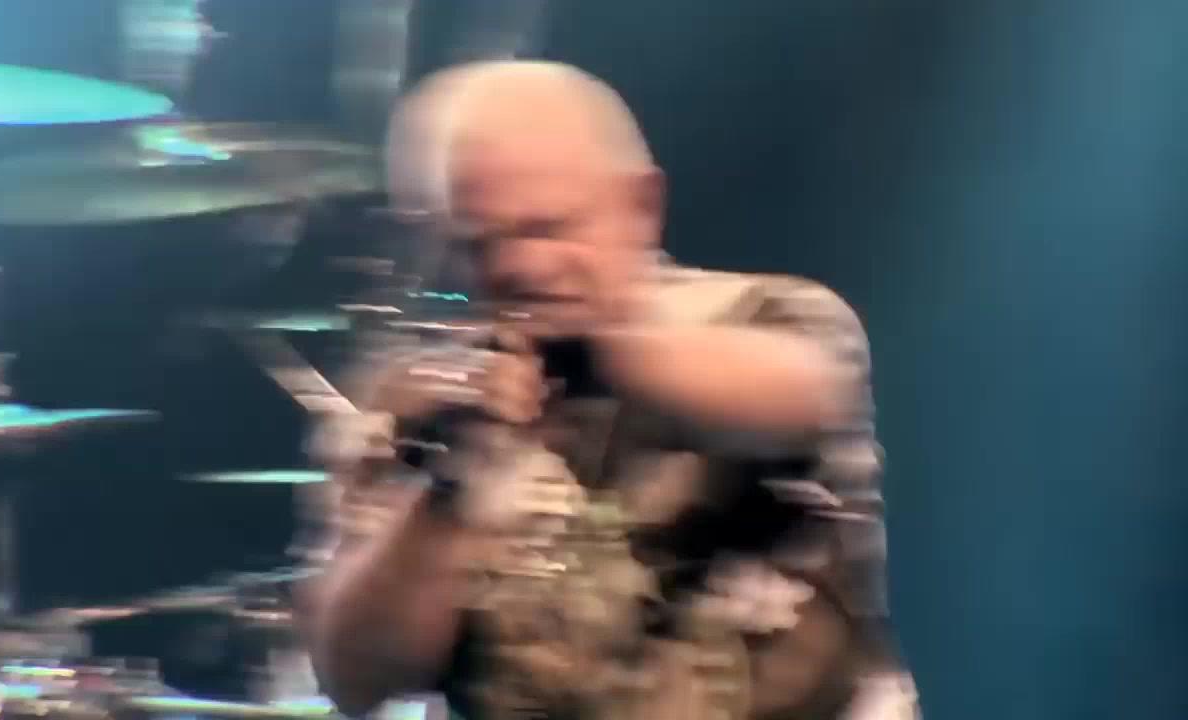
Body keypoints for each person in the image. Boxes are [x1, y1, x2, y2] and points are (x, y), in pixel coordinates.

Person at [296, 60, 916, 720]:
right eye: (479, 244)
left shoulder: (768, 315)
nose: (519, 266)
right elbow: (353, 676)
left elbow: (805, 398)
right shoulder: (418, 403)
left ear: (641, 206)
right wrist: (449, 490)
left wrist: (594, 353)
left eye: (548, 227)